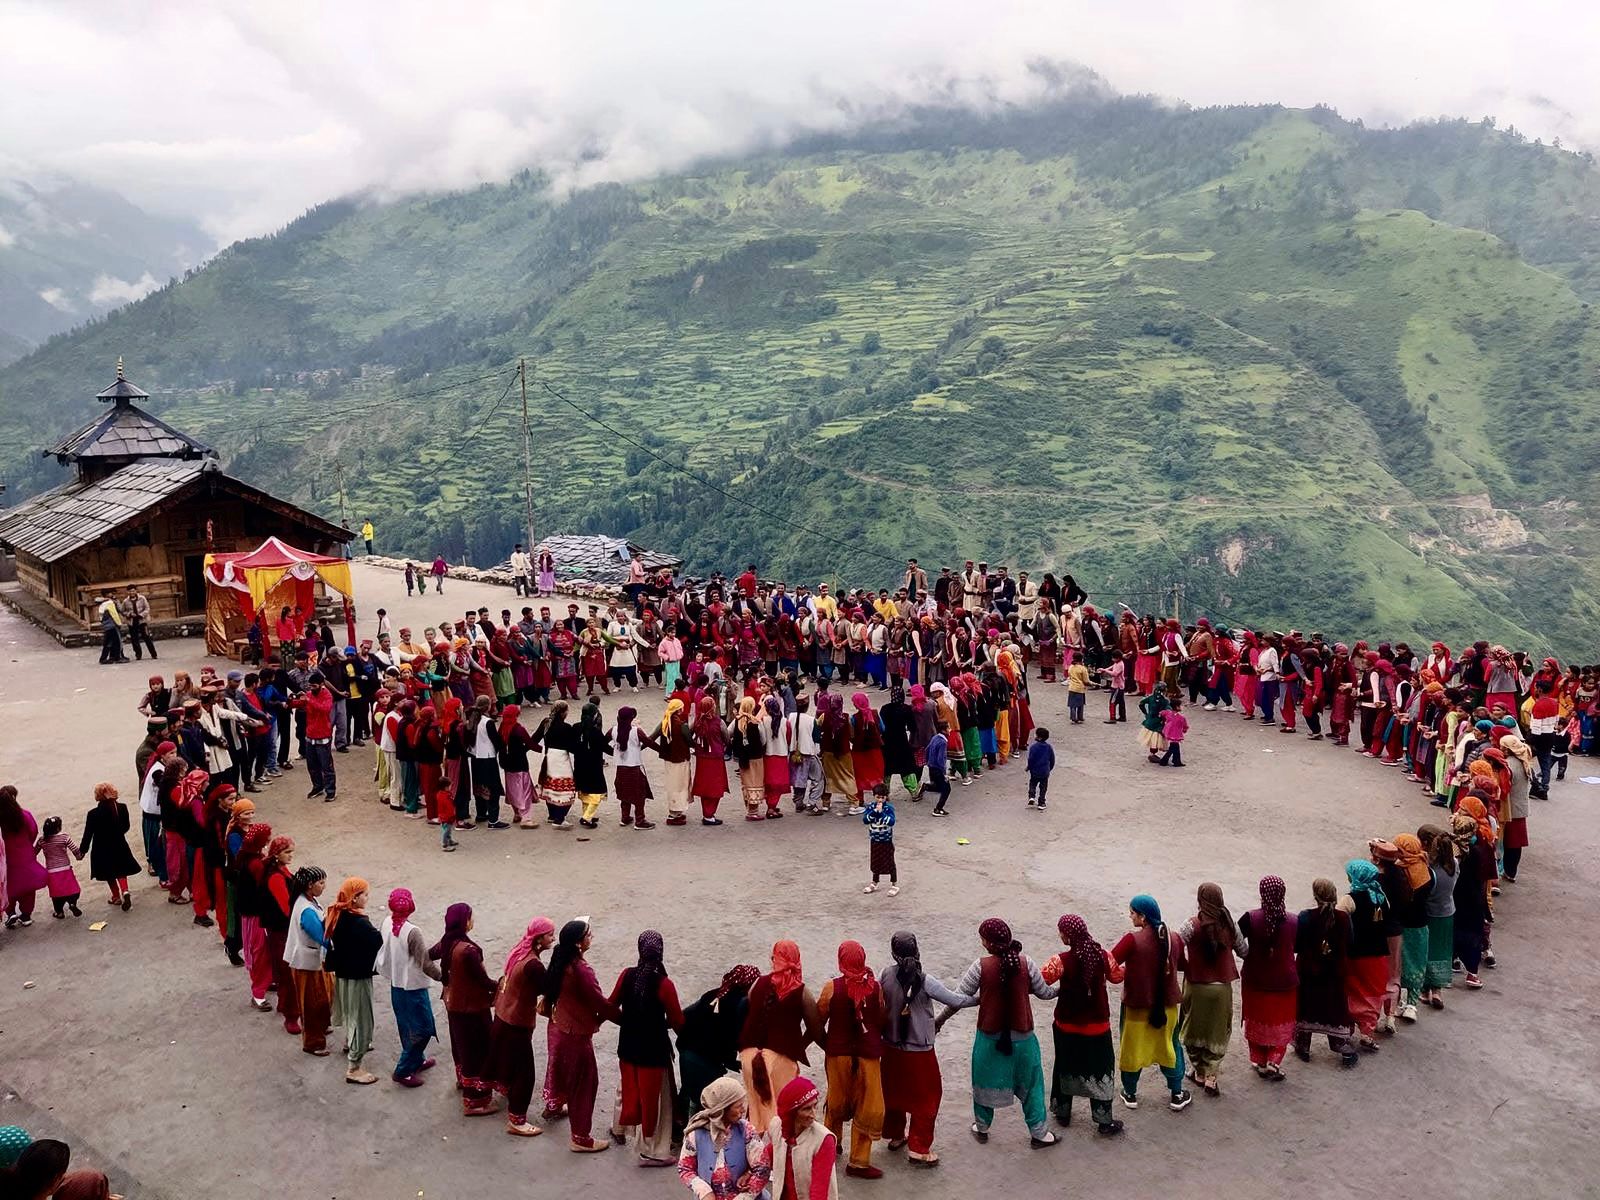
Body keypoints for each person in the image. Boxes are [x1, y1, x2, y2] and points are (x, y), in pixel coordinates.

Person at [937, 917, 1061, 1147]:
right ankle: (1039, 1133)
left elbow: (958, 999)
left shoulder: (980, 966)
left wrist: (940, 1020)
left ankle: (982, 1127)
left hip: (989, 1037)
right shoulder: (1026, 963)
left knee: (983, 1081)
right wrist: (1062, 990)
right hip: (1023, 1037)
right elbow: (1044, 992)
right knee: (1032, 1084)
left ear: (987, 943)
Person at [879, 930, 967, 1164]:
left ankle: (896, 1135)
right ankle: (919, 1147)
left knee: (893, 1092)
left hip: (890, 1046)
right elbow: (956, 1000)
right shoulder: (925, 981)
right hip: (919, 1049)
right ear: (917, 951)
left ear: (893, 953)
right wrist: (982, 995)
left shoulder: (885, 975)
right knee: (927, 1097)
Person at [1039, 914, 1123, 1136]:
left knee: (1065, 1065)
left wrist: (1059, 991)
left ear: (1067, 936)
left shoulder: (1059, 961)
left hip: (1066, 1025)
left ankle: (1062, 1111)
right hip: (1097, 1027)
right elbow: (1117, 976)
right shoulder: (1103, 956)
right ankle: (1104, 1120)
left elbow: (1040, 980)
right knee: (1101, 1071)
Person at [542, 916, 621, 1152]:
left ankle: (554, 1106)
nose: (591, 938)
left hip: (557, 1026)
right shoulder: (581, 969)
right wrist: (624, 1020)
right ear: (578, 943)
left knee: (558, 1068)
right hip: (574, 1034)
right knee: (584, 1083)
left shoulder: (560, 961)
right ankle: (580, 1138)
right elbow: (599, 1002)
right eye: (588, 935)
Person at [608, 930, 685, 1165]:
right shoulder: (664, 984)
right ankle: (652, 1151)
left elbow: (610, 1006)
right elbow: (677, 1021)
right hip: (653, 1052)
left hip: (628, 1047)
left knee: (627, 1088)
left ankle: (619, 1128)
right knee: (655, 1102)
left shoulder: (627, 975)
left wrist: (628, 1022)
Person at [1109, 895, 1192, 1112]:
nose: (1130, 916)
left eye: (1133, 913)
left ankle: (1130, 1093)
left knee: (1132, 1050)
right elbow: (1182, 965)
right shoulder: (1174, 938)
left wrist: (1128, 972)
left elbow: (1109, 963)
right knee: (1170, 1047)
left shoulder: (1131, 941)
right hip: (1167, 1008)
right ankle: (1176, 1094)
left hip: (1137, 1008)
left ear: (1143, 917)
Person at [816, 941, 886, 1179]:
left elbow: (818, 1019)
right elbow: (881, 1019)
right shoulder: (875, 987)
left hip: (838, 1057)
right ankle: (858, 1161)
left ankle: (829, 1145)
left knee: (835, 1100)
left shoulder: (831, 988)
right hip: (868, 1057)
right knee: (867, 1105)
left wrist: (829, 1044)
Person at [739, 940, 822, 1132]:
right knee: (781, 1114)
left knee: (757, 1109)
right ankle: (776, 1156)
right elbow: (817, 1031)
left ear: (773, 959)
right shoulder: (802, 993)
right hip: (779, 1061)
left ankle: (753, 1153)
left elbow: (750, 1011)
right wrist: (799, 1045)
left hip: (749, 1056)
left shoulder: (758, 984)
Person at [489, 915, 556, 1137]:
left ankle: (505, 1090)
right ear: (539, 939)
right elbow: (549, 988)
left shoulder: (520, 952)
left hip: (503, 1016)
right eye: (549, 935)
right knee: (525, 1073)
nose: (552, 938)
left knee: (509, 1062)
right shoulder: (534, 965)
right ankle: (517, 1119)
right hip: (516, 1023)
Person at [433, 902, 499, 1115]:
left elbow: (426, 955)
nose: (472, 921)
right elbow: (482, 981)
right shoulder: (468, 950)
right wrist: (503, 986)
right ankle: (475, 1100)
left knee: (461, 1046)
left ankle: (464, 1081)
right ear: (464, 922)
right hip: (472, 1008)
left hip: (454, 1005)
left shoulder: (447, 942)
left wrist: (444, 980)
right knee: (477, 1050)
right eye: (470, 917)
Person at [377, 887, 444, 1087]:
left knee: (406, 1025)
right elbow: (425, 962)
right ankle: (403, 1069)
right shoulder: (413, 932)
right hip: (413, 986)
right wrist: (443, 977)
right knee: (423, 1028)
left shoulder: (387, 923)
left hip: (396, 982)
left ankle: (416, 1059)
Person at [1177, 883, 1238, 1096]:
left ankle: (1198, 1071)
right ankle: (1211, 1076)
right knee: (1218, 1032)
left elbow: (1174, 946)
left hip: (1197, 987)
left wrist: (1184, 964)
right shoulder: (1230, 925)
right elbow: (1244, 950)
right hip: (1222, 989)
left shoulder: (1191, 925)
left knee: (1193, 1031)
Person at [1236, 876, 1298, 1079]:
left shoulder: (1250, 918)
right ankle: (1274, 1059)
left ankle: (1260, 1060)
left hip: (1256, 980)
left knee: (1257, 1021)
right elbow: (1297, 946)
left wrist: (1246, 954)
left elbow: (1235, 939)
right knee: (1282, 1022)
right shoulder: (1293, 920)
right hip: (1285, 982)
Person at [1293, 878, 1358, 1067]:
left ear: (1315, 896)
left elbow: (1296, 945)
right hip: (1335, 973)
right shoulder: (1344, 918)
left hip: (1309, 973)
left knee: (1307, 1007)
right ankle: (1341, 1046)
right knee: (1334, 1008)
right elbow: (1351, 943)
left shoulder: (1305, 917)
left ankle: (1303, 1045)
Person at [323, 876, 382, 1085]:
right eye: (364, 894)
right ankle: (354, 1067)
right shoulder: (359, 923)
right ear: (355, 898)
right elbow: (378, 941)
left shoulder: (338, 915)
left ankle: (350, 1042)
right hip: (358, 975)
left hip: (343, 974)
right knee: (362, 1018)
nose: (367, 898)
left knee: (349, 1012)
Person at [677, 1077, 772, 1199]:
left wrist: (744, 1196)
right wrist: (704, 1191)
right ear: (722, 1109)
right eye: (738, 1106)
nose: (743, 1110)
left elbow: (762, 1168)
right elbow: (685, 1168)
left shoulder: (746, 1130)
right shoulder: (696, 1134)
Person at [1339, 861, 1391, 1050]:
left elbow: (1337, 920)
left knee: (1351, 991)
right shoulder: (1381, 897)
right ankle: (1367, 1032)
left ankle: (1347, 1030)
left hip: (1354, 954)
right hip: (1378, 955)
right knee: (1372, 993)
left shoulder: (1349, 899)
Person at [283, 865, 332, 1056]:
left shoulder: (307, 901)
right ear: (310, 885)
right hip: (306, 962)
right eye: (321, 883)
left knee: (322, 997)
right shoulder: (306, 910)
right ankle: (313, 1042)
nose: (324, 886)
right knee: (312, 1002)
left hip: (310, 960)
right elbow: (323, 938)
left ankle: (321, 1026)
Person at [767, 1077, 840, 1200]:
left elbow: (819, 1191)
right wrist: (748, 1173)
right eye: (806, 1109)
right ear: (792, 1112)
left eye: (814, 1106)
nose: (813, 1115)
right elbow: (768, 1155)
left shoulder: (824, 1140)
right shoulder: (777, 1127)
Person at [76, 783, 142, 910]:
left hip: (101, 847)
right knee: (121, 869)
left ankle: (116, 896)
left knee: (109, 872)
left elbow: (88, 834)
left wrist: (82, 851)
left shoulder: (93, 814)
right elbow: (126, 827)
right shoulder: (122, 808)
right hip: (119, 843)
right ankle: (125, 891)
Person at [2, 786, 48, 928]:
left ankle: (10, 913)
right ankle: (26, 915)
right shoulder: (24, 815)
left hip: (6, 859)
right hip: (25, 855)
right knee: (28, 887)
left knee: (7, 887)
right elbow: (33, 831)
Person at [35, 816, 83, 918]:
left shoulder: (42, 840)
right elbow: (74, 849)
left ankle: (59, 912)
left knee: (56, 893)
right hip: (65, 869)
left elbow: (34, 852)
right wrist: (79, 856)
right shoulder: (64, 837)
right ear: (58, 828)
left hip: (51, 871)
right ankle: (72, 903)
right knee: (72, 889)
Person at [862, 785, 897, 896]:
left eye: (882, 797)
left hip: (886, 840)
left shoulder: (889, 808)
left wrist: (881, 813)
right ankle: (874, 882)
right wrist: (874, 813)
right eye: (878, 797)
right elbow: (865, 820)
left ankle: (894, 884)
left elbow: (891, 822)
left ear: (886, 797)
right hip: (875, 840)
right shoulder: (871, 807)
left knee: (890, 862)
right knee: (875, 862)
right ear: (874, 796)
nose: (880, 800)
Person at [125, 585, 157, 661]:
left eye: (133, 591)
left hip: (142, 621)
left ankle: (153, 654)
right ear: (127, 592)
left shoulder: (142, 598)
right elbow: (123, 611)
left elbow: (147, 608)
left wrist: (141, 614)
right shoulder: (126, 601)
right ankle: (138, 655)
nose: (132, 592)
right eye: (130, 591)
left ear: (136, 591)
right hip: (132, 622)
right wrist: (129, 614)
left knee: (146, 637)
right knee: (134, 639)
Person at [1025, 727, 1054, 811]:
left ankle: (1032, 796)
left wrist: (1028, 767)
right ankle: (1041, 802)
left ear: (1039, 737)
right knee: (1043, 787)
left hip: (1035, 771)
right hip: (1045, 771)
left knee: (1033, 783)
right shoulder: (1049, 747)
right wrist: (1049, 769)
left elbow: (1031, 759)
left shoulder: (1033, 747)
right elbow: (1052, 759)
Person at [96, 594, 128, 665]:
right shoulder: (110, 604)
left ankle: (103, 658)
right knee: (117, 642)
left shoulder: (102, 605)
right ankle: (118, 658)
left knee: (107, 643)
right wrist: (119, 624)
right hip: (112, 626)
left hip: (106, 626)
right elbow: (114, 615)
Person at [1158, 696, 1188, 767]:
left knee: (1174, 748)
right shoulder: (1181, 718)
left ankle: (1172, 761)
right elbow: (1185, 726)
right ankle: (1169, 761)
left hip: (1168, 732)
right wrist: (1184, 730)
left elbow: (1161, 713)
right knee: (1174, 748)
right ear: (1177, 707)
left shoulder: (1168, 713)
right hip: (1176, 734)